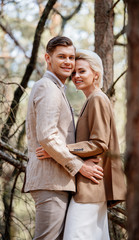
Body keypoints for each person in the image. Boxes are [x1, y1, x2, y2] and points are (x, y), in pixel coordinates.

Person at [36, 49, 126, 240]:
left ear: (96, 74)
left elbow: (99, 143)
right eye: (74, 72)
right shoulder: (91, 99)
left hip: (91, 184)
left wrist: (57, 150)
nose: (76, 76)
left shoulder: (97, 99)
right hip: (91, 184)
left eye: (82, 71)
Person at [23, 37, 104, 240]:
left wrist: (62, 150)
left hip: (58, 181)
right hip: (50, 181)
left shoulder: (58, 89)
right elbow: (47, 137)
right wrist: (80, 166)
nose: (68, 62)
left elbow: (51, 139)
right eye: (62, 57)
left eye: (71, 57)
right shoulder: (47, 88)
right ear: (48, 58)